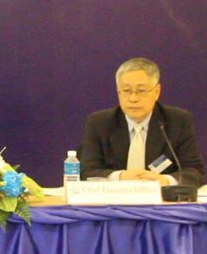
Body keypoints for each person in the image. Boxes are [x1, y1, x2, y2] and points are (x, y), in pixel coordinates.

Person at [81, 57, 204, 186]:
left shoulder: (178, 121)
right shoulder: (100, 123)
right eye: (127, 91)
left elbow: (195, 171)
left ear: (157, 92)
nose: (133, 98)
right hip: (114, 201)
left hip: (161, 202)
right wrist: (120, 177)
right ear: (118, 92)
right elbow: (87, 171)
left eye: (141, 91)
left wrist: (165, 180)